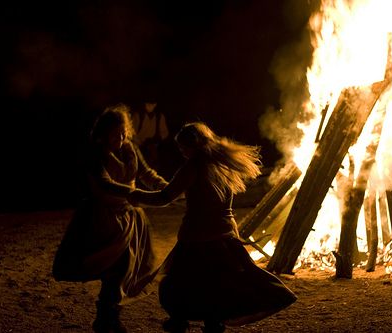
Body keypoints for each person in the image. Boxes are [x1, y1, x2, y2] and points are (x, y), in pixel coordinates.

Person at [129, 122, 297, 333]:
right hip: (225, 235)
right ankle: (212, 324)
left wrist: (131, 194)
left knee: (179, 285)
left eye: (183, 147)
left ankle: (183, 320)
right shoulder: (221, 164)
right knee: (218, 286)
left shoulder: (193, 167)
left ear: (192, 146)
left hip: (198, 238)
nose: (182, 152)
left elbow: (165, 197)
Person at [52, 103, 169, 333]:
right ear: (104, 134)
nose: (122, 136)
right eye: (116, 133)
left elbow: (145, 173)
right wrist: (136, 193)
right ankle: (106, 317)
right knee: (113, 267)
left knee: (127, 267)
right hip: (104, 219)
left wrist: (167, 189)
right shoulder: (96, 155)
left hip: (129, 218)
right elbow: (105, 184)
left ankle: (108, 317)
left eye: (124, 131)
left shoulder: (130, 148)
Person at [131, 99, 169, 172]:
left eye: (152, 104)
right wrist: (141, 143)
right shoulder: (138, 115)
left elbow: (165, 132)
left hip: (152, 146)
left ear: (155, 105)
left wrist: (157, 139)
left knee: (153, 165)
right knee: (139, 166)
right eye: (147, 104)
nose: (149, 106)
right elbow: (132, 133)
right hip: (139, 146)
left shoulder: (159, 116)